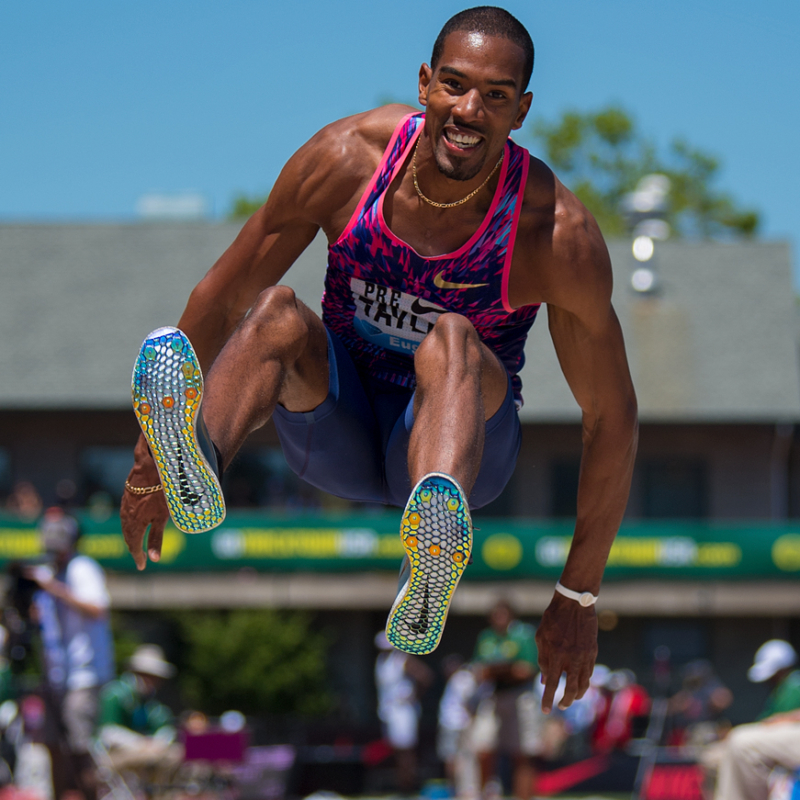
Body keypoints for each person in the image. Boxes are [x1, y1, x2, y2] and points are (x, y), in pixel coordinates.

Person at [122, 6, 638, 696]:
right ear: (424, 83)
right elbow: (222, 295)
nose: (469, 110)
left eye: (496, 95)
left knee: (451, 337)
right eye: (454, 85)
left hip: (463, 441)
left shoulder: (554, 233)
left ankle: (431, 546)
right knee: (274, 309)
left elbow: (612, 418)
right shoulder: (346, 161)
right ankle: (197, 464)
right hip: (340, 422)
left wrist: (579, 595)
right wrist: (146, 465)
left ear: (522, 112)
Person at [28, 508, 114, 800]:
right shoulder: (50, 572)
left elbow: (97, 608)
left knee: (79, 749)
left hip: (83, 674)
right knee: (52, 745)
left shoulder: (82, 568)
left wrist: (53, 589)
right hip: (56, 675)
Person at [701, 639, 800, 800]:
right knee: (712, 757)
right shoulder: (781, 689)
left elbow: (775, 723)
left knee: (742, 744)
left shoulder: (794, 685)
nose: (768, 680)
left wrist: (785, 719)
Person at [472, 600, 539, 800]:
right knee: (482, 748)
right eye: (495, 614)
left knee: (522, 753)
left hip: (520, 697)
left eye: (502, 614)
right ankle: (486, 794)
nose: (498, 619)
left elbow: (526, 670)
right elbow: (478, 672)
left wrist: (495, 670)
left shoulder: (523, 635)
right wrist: (507, 669)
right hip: (493, 696)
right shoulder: (486, 637)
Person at [96, 644, 181, 785]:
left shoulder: (151, 704)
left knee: (176, 754)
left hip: (144, 753)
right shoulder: (115, 694)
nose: (153, 681)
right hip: (111, 755)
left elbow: (166, 729)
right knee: (158, 757)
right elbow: (108, 733)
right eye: (148, 675)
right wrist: (141, 744)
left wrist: (157, 743)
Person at [374, 631, 433, 794]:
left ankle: (409, 787)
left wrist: (414, 695)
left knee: (406, 750)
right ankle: (402, 785)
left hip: (403, 711)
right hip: (389, 711)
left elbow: (425, 676)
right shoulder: (381, 661)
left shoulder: (402, 659)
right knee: (396, 749)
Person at [437, 654, 479, 796]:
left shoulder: (462, 678)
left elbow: (468, 703)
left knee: (455, 759)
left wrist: (472, 721)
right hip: (454, 723)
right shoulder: (458, 678)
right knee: (455, 759)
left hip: (456, 724)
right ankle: (457, 790)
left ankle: (457, 790)